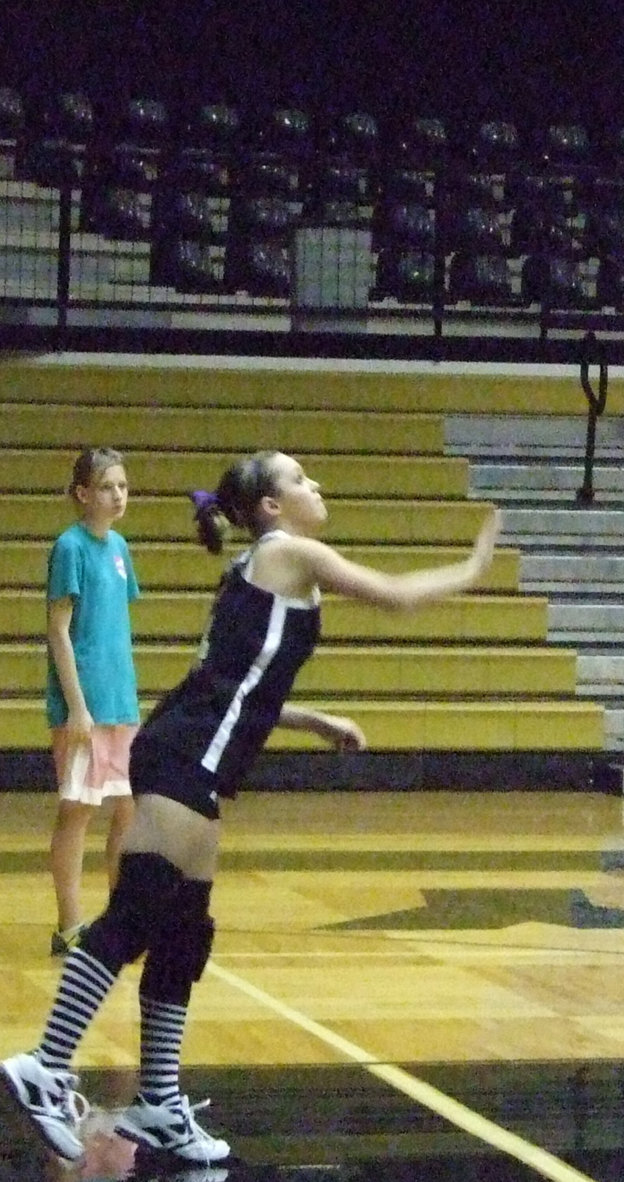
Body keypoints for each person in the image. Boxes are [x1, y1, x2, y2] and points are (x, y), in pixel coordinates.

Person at [3, 450, 501, 1166]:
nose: (315, 485)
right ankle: (46, 1065)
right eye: (298, 479)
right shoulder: (291, 552)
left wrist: (313, 721)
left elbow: (235, 684)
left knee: (183, 931)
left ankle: (159, 1102)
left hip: (188, 752)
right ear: (270, 506)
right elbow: (395, 596)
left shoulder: (256, 569)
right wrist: (474, 567)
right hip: (186, 755)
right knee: (139, 910)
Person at [45, 449, 140, 959]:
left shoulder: (120, 547)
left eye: (122, 486)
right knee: (78, 810)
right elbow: (59, 631)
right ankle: (69, 926)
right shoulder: (69, 547)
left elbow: (114, 626)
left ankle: (120, 920)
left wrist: (127, 698)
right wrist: (77, 707)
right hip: (84, 705)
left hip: (120, 701)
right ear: (83, 493)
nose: (117, 495)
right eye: (106, 486)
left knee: (128, 808)